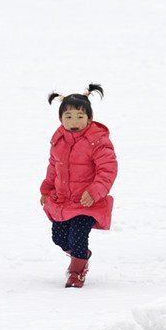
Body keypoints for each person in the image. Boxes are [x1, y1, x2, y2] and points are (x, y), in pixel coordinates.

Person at [40, 84, 118, 287]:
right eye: (68, 117)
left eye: (80, 117)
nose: (74, 122)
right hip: (63, 200)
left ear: (89, 119)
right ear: (60, 119)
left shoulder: (98, 141)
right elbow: (53, 167)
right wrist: (47, 189)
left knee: (77, 236)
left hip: (88, 202)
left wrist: (94, 191)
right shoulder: (59, 140)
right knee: (59, 238)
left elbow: (107, 170)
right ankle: (80, 254)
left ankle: (77, 271)